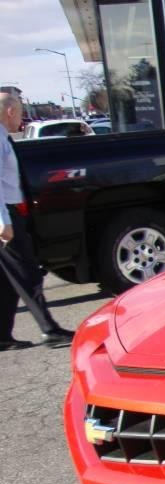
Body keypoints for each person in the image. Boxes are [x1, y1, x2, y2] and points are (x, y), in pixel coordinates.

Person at [0, 93, 74, 350]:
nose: (21, 119)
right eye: (19, 112)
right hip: (5, 215)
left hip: (10, 211)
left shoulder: (3, 137)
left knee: (7, 279)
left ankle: (2, 336)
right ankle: (50, 329)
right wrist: (3, 221)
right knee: (28, 272)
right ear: (10, 111)